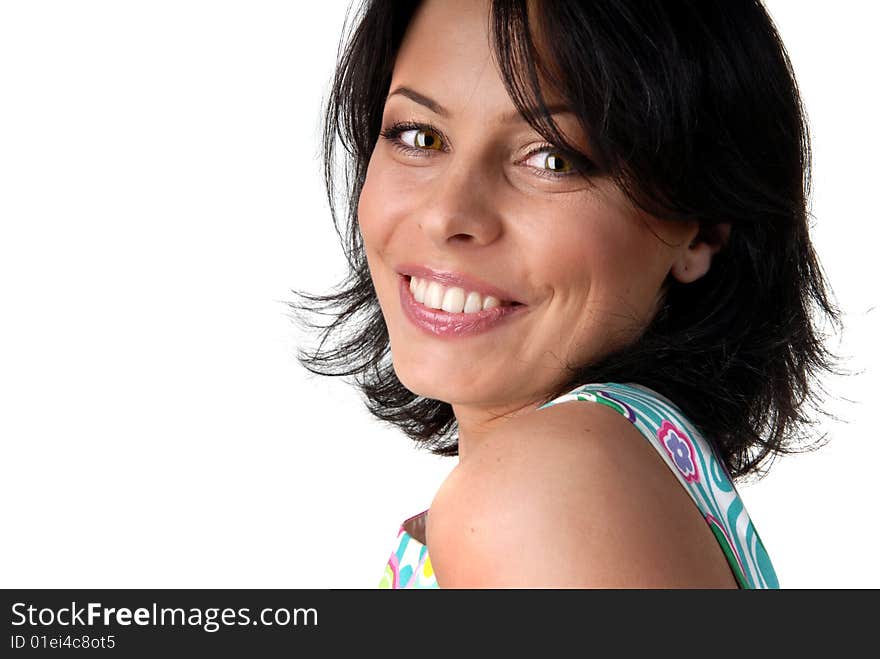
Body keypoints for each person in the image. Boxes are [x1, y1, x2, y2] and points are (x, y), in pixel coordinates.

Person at [290, 0, 842, 588]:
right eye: (419, 135)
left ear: (700, 228)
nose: (447, 214)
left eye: (552, 158)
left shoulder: (540, 492)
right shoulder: (621, 469)